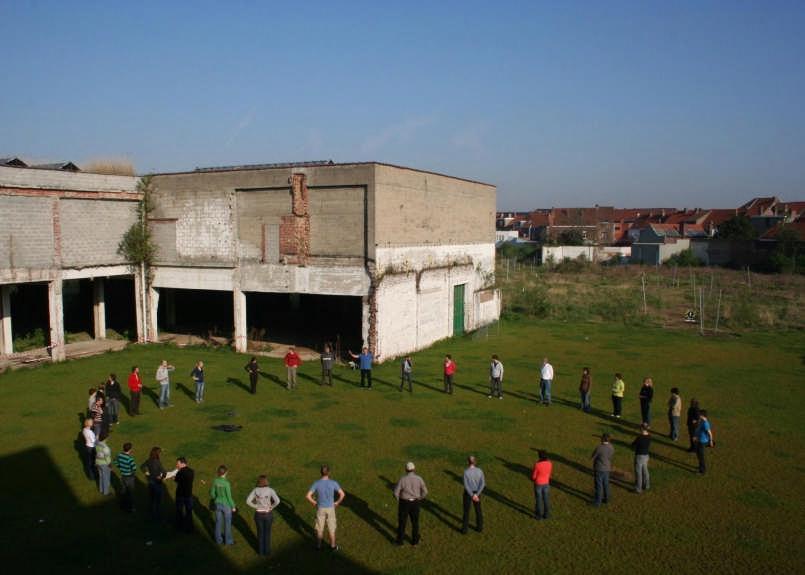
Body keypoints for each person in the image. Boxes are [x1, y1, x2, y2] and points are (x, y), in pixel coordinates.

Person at [306, 464, 345, 551]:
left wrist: (315, 503)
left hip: (320, 508)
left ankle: (319, 546)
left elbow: (308, 496)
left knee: (320, 528)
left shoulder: (316, 483)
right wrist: (337, 503)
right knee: (331, 528)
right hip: (331, 508)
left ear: (321, 473)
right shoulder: (333, 483)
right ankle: (333, 546)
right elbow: (342, 494)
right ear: (329, 472)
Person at [393, 461, 428, 546]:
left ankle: (400, 542)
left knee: (402, 523)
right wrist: (419, 498)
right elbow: (425, 492)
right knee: (415, 523)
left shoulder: (402, 479)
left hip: (404, 503)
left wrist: (399, 500)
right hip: (415, 502)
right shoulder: (419, 479)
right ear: (414, 469)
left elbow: (395, 493)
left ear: (406, 469)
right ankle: (415, 541)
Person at [246, 475, 281, 556]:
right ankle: (267, 551)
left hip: (258, 514)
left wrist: (256, 506)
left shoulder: (255, 490)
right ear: (266, 481)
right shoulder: (270, 490)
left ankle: (260, 552)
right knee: (267, 533)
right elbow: (277, 501)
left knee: (260, 533)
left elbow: (248, 501)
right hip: (268, 514)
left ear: (258, 482)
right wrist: (271, 507)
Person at [210, 465, 236, 545]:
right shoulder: (226, 483)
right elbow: (229, 496)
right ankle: (228, 541)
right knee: (227, 523)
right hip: (226, 505)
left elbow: (212, 493)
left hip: (217, 503)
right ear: (226, 472)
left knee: (218, 522)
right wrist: (233, 506)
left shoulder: (215, 481)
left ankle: (218, 540)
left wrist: (216, 498)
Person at [142, 446, 167, 521]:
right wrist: (162, 478)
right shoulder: (157, 462)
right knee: (158, 500)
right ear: (157, 454)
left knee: (152, 499)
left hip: (150, 481)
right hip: (157, 482)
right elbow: (164, 472)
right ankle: (157, 516)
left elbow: (142, 466)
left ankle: (152, 513)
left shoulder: (149, 460)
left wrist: (146, 472)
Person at [461, 456, 485, 533]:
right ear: (475, 462)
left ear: (468, 462)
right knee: (478, 510)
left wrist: (471, 495)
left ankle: (464, 529)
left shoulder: (466, 472)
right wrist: (476, 494)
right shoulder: (480, 471)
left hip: (468, 493)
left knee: (466, 511)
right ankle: (479, 527)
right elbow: (483, 484)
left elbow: (466, 485)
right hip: (477, 493)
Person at [591, 433, 614, 506]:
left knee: (599, 485)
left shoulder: (599, 447)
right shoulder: (611, 447)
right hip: (607, 468)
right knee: (606, 484)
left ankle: (598, 502)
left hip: (599, 468)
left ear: (602, 439)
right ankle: (607, 499)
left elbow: (593, 457)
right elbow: (610, 456)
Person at [174, 457, 195, 533]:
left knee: (179, 511)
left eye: (178, 463)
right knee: (189, 511)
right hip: (188, 494)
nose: (177, 465)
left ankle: (180, 526)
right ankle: (190, 527)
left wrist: (177, 473)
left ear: (182, 463)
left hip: (180, 494)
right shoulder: (192, 471)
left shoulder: (180, 472)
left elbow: (176, 480)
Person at [115, 442, 137, 512]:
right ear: (130, 449)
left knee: (123, 491)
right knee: (131, 492)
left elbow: (115, 462)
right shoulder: (130, 459)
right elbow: (134, 468)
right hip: (129, 476)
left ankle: (123, 505)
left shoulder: (119, 455)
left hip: (123, 476)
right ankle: (132, 507)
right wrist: (132, 473)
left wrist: (120, 467)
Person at [531, 450, 552, 520]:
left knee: (538, 500)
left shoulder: (537, 465)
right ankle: (547, 514)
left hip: (538, 484)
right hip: (546, 483)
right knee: (546, 499)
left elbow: (534, 476)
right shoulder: (549, 463)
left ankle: (539, 515)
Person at [693, 410, 715, 474]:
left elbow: (710, 433)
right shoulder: (702, 421)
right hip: (699, 440)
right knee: (698, 455)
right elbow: (699, 429)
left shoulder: (705, 423)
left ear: (702, 416)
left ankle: (702, 471)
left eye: (700, 415)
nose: (699, 416)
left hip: (702, 442)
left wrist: (710, 441)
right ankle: (700, 466)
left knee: (701, 456)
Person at [632, 424, 651, 493]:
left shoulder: (639, 437)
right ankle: (647, 485)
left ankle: (638, 488)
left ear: (642, 429)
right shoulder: (649, 436)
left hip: (639, 456)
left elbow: (633, 444)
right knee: (645, 470)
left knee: (638, 472)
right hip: (646, 456)